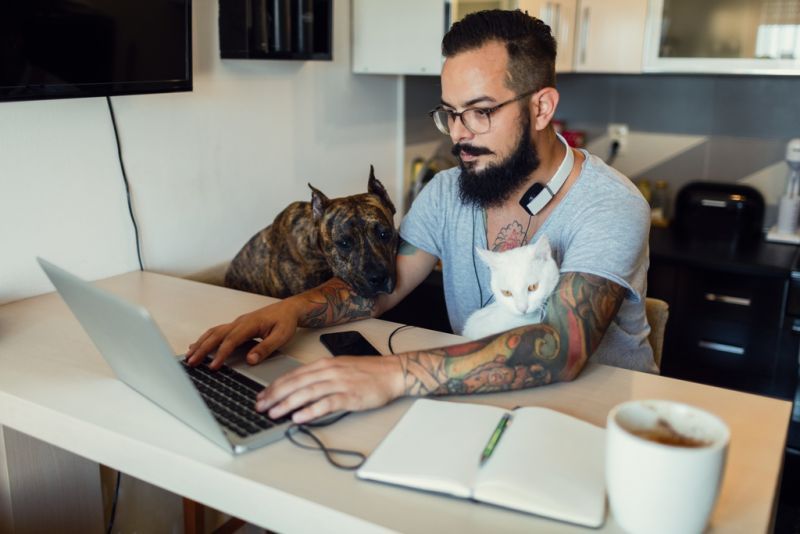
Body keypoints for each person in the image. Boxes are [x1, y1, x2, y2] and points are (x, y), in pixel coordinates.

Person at [186, 9, 655, 424]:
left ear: (541, 107)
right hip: (483, 408)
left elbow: (559, 347)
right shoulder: (445, 192)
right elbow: (380, 290)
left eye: (480, 112)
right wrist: (288, 309)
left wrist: (388, 376)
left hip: (603, 425)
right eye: (450, 113)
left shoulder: (609, 204)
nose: (459, 135)